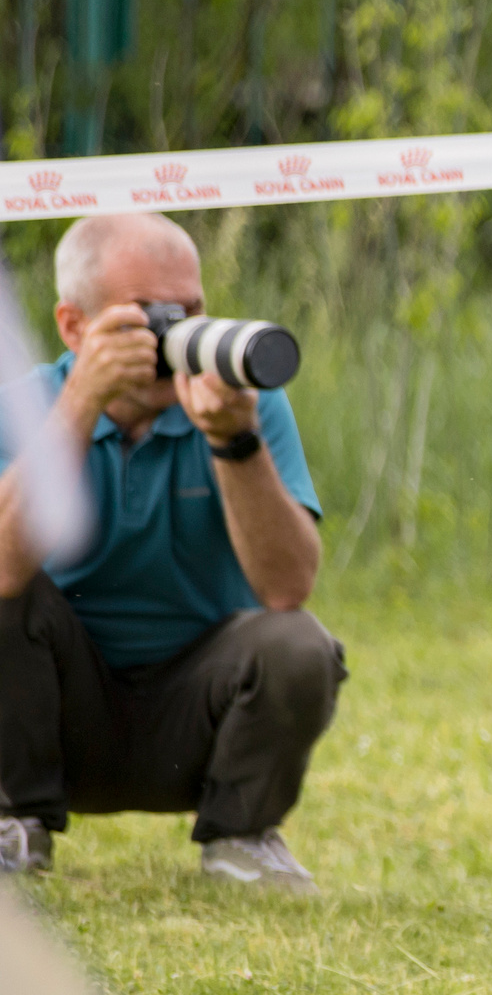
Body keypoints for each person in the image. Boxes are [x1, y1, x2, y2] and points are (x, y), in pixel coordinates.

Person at [0, 214, 343, 891]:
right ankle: (16, 824)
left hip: (199, 713)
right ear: (75, 327)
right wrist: (80, 403)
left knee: (300, 645)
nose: (176, 335)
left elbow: (287, 588)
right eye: (152, 317)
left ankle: (241, 836)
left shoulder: (246, 400)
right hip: (58, 710)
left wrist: (234, 441)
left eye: (191, 310)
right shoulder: (23, 403)